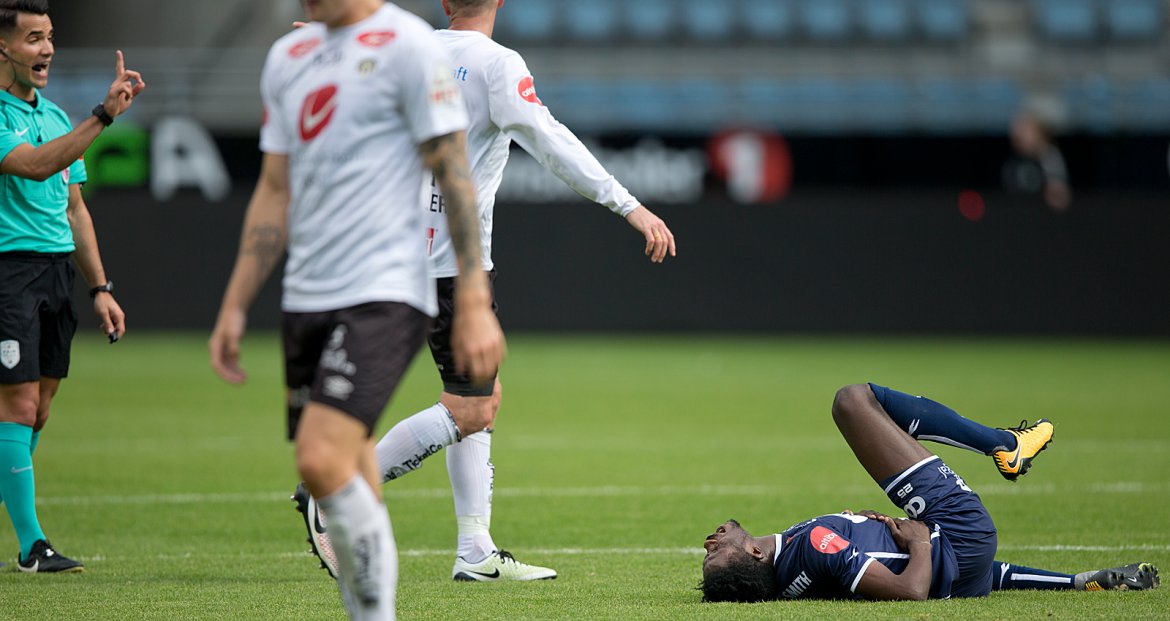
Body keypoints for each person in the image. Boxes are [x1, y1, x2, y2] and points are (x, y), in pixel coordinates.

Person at [292, 0, 677, 584]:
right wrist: (628, 204)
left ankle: (474, 548)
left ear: (444, 3)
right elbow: (549, 139)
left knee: (479, 390)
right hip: (451, 263)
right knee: (474, 406)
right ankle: (337, 482)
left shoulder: (409, 47)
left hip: (388, 249)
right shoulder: (496, 64)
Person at [208, 0, 503, 618]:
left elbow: (454, 176)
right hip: (308, 292)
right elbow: (273, 187)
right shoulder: (290, 56)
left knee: (321, 456)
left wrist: (473, 298)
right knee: (350, 467)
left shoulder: (412, 47)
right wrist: (236, 301)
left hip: (387, 287)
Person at [700, 383, 1160, 602]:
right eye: (716, 553)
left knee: (867, 412)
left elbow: (959, 576)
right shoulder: (815, 545)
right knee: (853, 402)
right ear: (756, 557)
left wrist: (1076, 582)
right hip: (955, 528)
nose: (710, 541)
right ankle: (1005, 445)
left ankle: (1077, 581)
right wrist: (917, 543)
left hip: (964, 561)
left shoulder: (795, 564)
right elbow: (914, 590)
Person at [0, 0, 144, 573]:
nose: (48, 49)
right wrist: (103, 118)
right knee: (19, 403)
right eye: (34, 38)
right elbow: (34, 166)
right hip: (9, 271)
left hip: (58, 273)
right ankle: (33, 547)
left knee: (38, 413)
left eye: (50, 37)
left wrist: (100, 287)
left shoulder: (58, 118)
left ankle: (22, 520)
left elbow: (74, 209)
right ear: (4, 48)